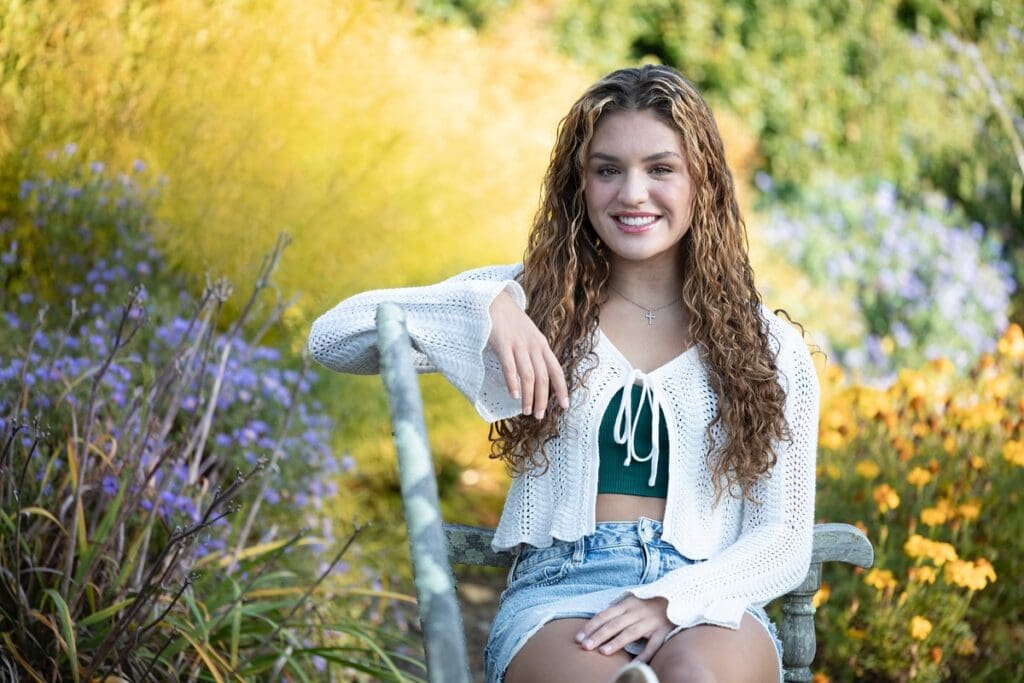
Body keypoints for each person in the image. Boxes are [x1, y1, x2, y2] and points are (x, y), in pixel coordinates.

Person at [308, 64, 820, 683]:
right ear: (579, 186)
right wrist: (487, 306)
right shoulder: (531, 306)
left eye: (660, 169)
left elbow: (784, 540)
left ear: (701, 183)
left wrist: (673, 600)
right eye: (608, 170)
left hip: (710, 599)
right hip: (561, 590)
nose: (632, 194)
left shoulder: (768, 347)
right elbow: (333, 337)